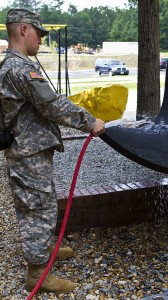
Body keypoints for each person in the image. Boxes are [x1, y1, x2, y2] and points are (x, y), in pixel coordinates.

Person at [0, 8, 105, 295]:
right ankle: (37, 275)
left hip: (29, 153)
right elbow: (53, 105)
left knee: (42, 204)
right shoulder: (20, 68)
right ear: (23, 30)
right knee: (37, 211)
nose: (41, 40)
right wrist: (90, 122)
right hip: (28, 155)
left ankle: (44, 248)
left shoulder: (10, 66)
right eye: (38, 33)